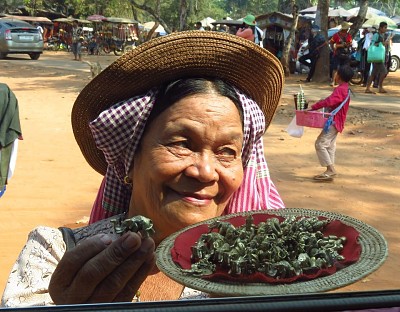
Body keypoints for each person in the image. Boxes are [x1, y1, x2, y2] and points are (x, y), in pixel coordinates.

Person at [1, 31, 285, 307]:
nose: (206, 172)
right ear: (131, 155)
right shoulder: (53, 255)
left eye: (227, 152)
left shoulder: (261, 271)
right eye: (182, 143)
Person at [308, 65, 353, 181]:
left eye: (336, 73)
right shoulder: (345, 88)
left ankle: (330, 169)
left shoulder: (340, 89)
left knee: (320, 144)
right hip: (338, 121)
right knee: (330, 145)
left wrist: (314, 107)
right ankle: (329, 171)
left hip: (334, 122)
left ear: (339, 76)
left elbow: (330, 101)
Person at [365, 22, 391, 94]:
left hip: (379, 56)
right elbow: (372, 44)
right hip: (377, 57)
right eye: (385, 27)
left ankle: (368, 88)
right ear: (381, 28)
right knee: (384, 71)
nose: (385, 29)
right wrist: (381, 44)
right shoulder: (376, 35)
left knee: (374, 73)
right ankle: (380, 87)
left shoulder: (382, 35)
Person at [330, 21, 353, 87]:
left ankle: (346, 81)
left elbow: (350, 43)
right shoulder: (336, 35)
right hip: (337, 53)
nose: (348, 29)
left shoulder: (348, 35)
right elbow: (331, 42)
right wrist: (334, 48)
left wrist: (347, 45)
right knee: (335, 68)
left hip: (346, 53)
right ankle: (333, 81)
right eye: (347, 28)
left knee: (346, 68)